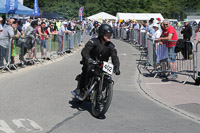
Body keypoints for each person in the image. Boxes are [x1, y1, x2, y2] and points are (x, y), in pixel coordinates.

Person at [72, 24, 120, 98]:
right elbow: (85, 50)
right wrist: (88, 58)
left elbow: (115, 57)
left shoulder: (111, 46)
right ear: (101, 33)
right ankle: (81, 89)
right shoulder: (93, 41)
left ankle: (101, 89)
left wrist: (117, 67)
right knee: (87, 69)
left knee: (107, 75)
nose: (109, 36)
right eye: (107, 34)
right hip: (90, 62)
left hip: (102, 64)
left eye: (110, 34)